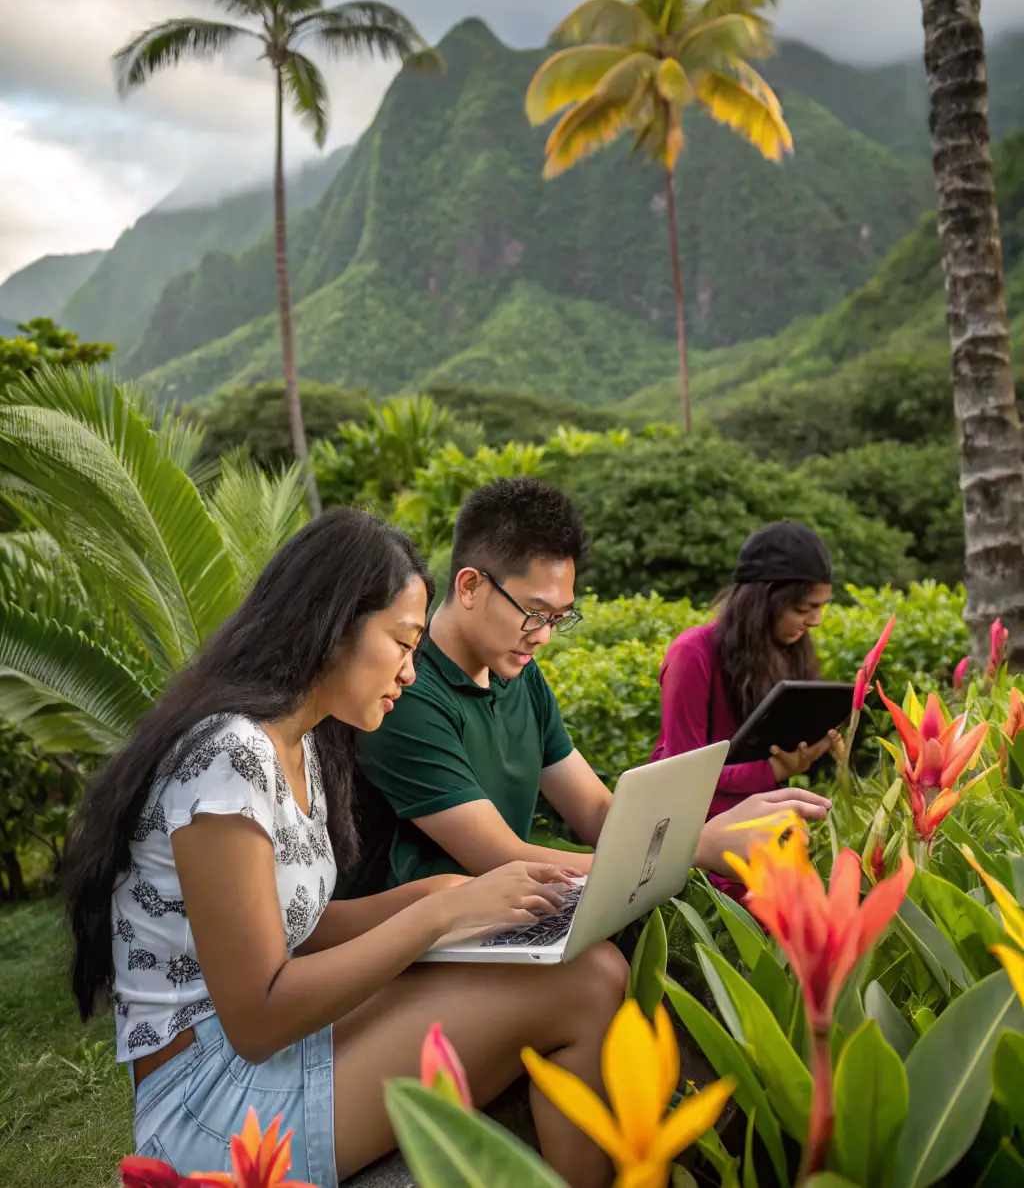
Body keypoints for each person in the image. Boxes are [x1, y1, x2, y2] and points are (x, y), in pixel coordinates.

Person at [62, 509, 635, 1188]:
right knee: (585, 985)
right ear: (333, 627)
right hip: (215, 1102)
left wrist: (435, 894)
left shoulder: (300, 742)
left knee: (590, 969)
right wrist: (436, 918)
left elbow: (291, 926)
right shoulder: (229, 754)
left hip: (263, 1056)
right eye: (402, 642)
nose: (412, 672)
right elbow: (257, 1015)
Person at [354, 480, 831, 892]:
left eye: (558, 619)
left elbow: (600, 815)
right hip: (425, 938)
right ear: (471, 586)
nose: (542, 636)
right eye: (534, 612)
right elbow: (501, 859)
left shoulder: (520, 676)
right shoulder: (408, 691)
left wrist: (729, 820)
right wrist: (698, 846)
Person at [651, 520, 840, 820]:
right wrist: (772, 770)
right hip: (694, 838)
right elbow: (682, 772)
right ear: (764, 602)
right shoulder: (693, 653)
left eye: (821, 607)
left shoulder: (786, 653)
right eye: (803, 609)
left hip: (762, 827)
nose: (815, 620)